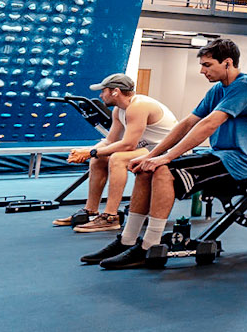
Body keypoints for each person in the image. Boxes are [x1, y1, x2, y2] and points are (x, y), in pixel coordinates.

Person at [81, 39, 247, 270]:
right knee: (146, 168)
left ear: (228, 62)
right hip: (218, 155)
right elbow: (187, 123)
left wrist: (167, 158)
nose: (202, 70)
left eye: (208, 65)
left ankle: (149, 245)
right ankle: (127, 240)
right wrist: (153, 155)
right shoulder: (218, 90)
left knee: (163, 172)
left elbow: (208, 125)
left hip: (238, 162)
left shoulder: (246, 86)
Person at [56, 73, 179, 233]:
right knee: (98, 159)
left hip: (167, 150)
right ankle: (91, 210)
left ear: (115, 91)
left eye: (103, 91)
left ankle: (111, 217)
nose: (100, 95)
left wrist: (92, 152)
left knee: (118, 158)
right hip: (149, 148)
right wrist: (88, 151)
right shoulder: (118, 111)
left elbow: (128, 144)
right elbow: (110, 140)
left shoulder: (138, 106)